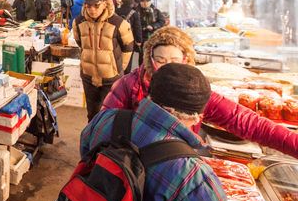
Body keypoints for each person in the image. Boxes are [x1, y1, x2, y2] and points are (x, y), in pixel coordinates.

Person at [81, 64, 234, 201]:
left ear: (150, 96)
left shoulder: (105, 119)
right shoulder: (193, 176)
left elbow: (85, 160)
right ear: (194, 117)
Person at [104, 26, 298, 157]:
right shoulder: (129, 86)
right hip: (133, 166)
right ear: (149, 59)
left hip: (177, 162)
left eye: (174, 60)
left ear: (186, 59)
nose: (166, 67)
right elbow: (104, 128)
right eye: (160, 60)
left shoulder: (193, 91)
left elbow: (247, 122)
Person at [73, 0, 134, 121]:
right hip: (88, 77)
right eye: (88, 6)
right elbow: (80, 43)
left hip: (110, 78)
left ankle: (106, 140)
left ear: (104, 4)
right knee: (92, 114)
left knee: (109, 115)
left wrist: (118, 68)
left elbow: (128, 47)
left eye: (96, 5)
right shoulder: (78, 22)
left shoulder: (118, 23)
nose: (92, 10)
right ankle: (92, 139)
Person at [117, 0, 142, 72]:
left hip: (116, 38)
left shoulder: (115, 11)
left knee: (116, 57)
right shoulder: (134, 13)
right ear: (131, 3)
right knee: (127, 58)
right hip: (129, 40)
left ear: (122, 2)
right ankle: (125, 76)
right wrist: (138, 40)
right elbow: (137, 27)